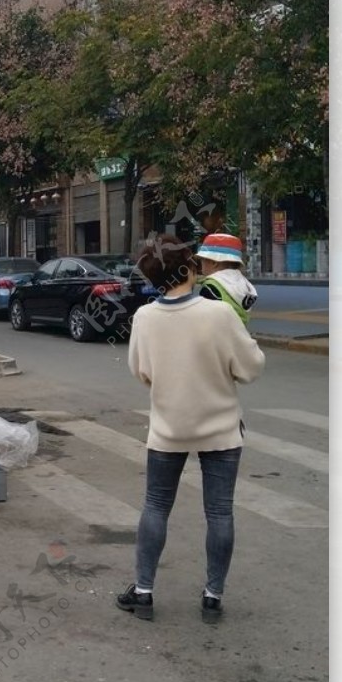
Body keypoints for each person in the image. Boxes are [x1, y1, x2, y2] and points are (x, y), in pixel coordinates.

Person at [117, 233, 265, 624]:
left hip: (168, 429)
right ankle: (213, 597)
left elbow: (141, 371)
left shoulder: (145, 317)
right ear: (190, 268)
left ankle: (144, 592)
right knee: (219, 512)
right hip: (221, 430)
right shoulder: (220, 315)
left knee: (155, 507)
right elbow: (250, 369)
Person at [195, 232, 258, 327]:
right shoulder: (243, 284)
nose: (201, 263)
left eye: (203, 259)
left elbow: (204, 321)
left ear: (214, 262)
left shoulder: (211, 288)